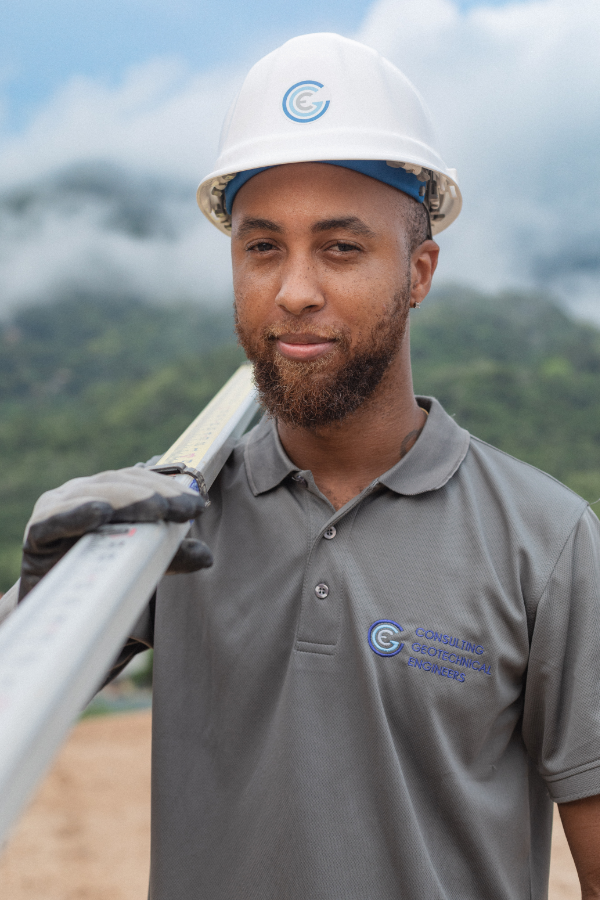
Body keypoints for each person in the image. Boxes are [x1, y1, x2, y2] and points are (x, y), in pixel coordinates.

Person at [7, 32, 600, 900]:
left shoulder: (545, 545)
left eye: (342, 248)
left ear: (419, 270)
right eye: (262, 247)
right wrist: (46, 600)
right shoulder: (167, 521)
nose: (293, 291)